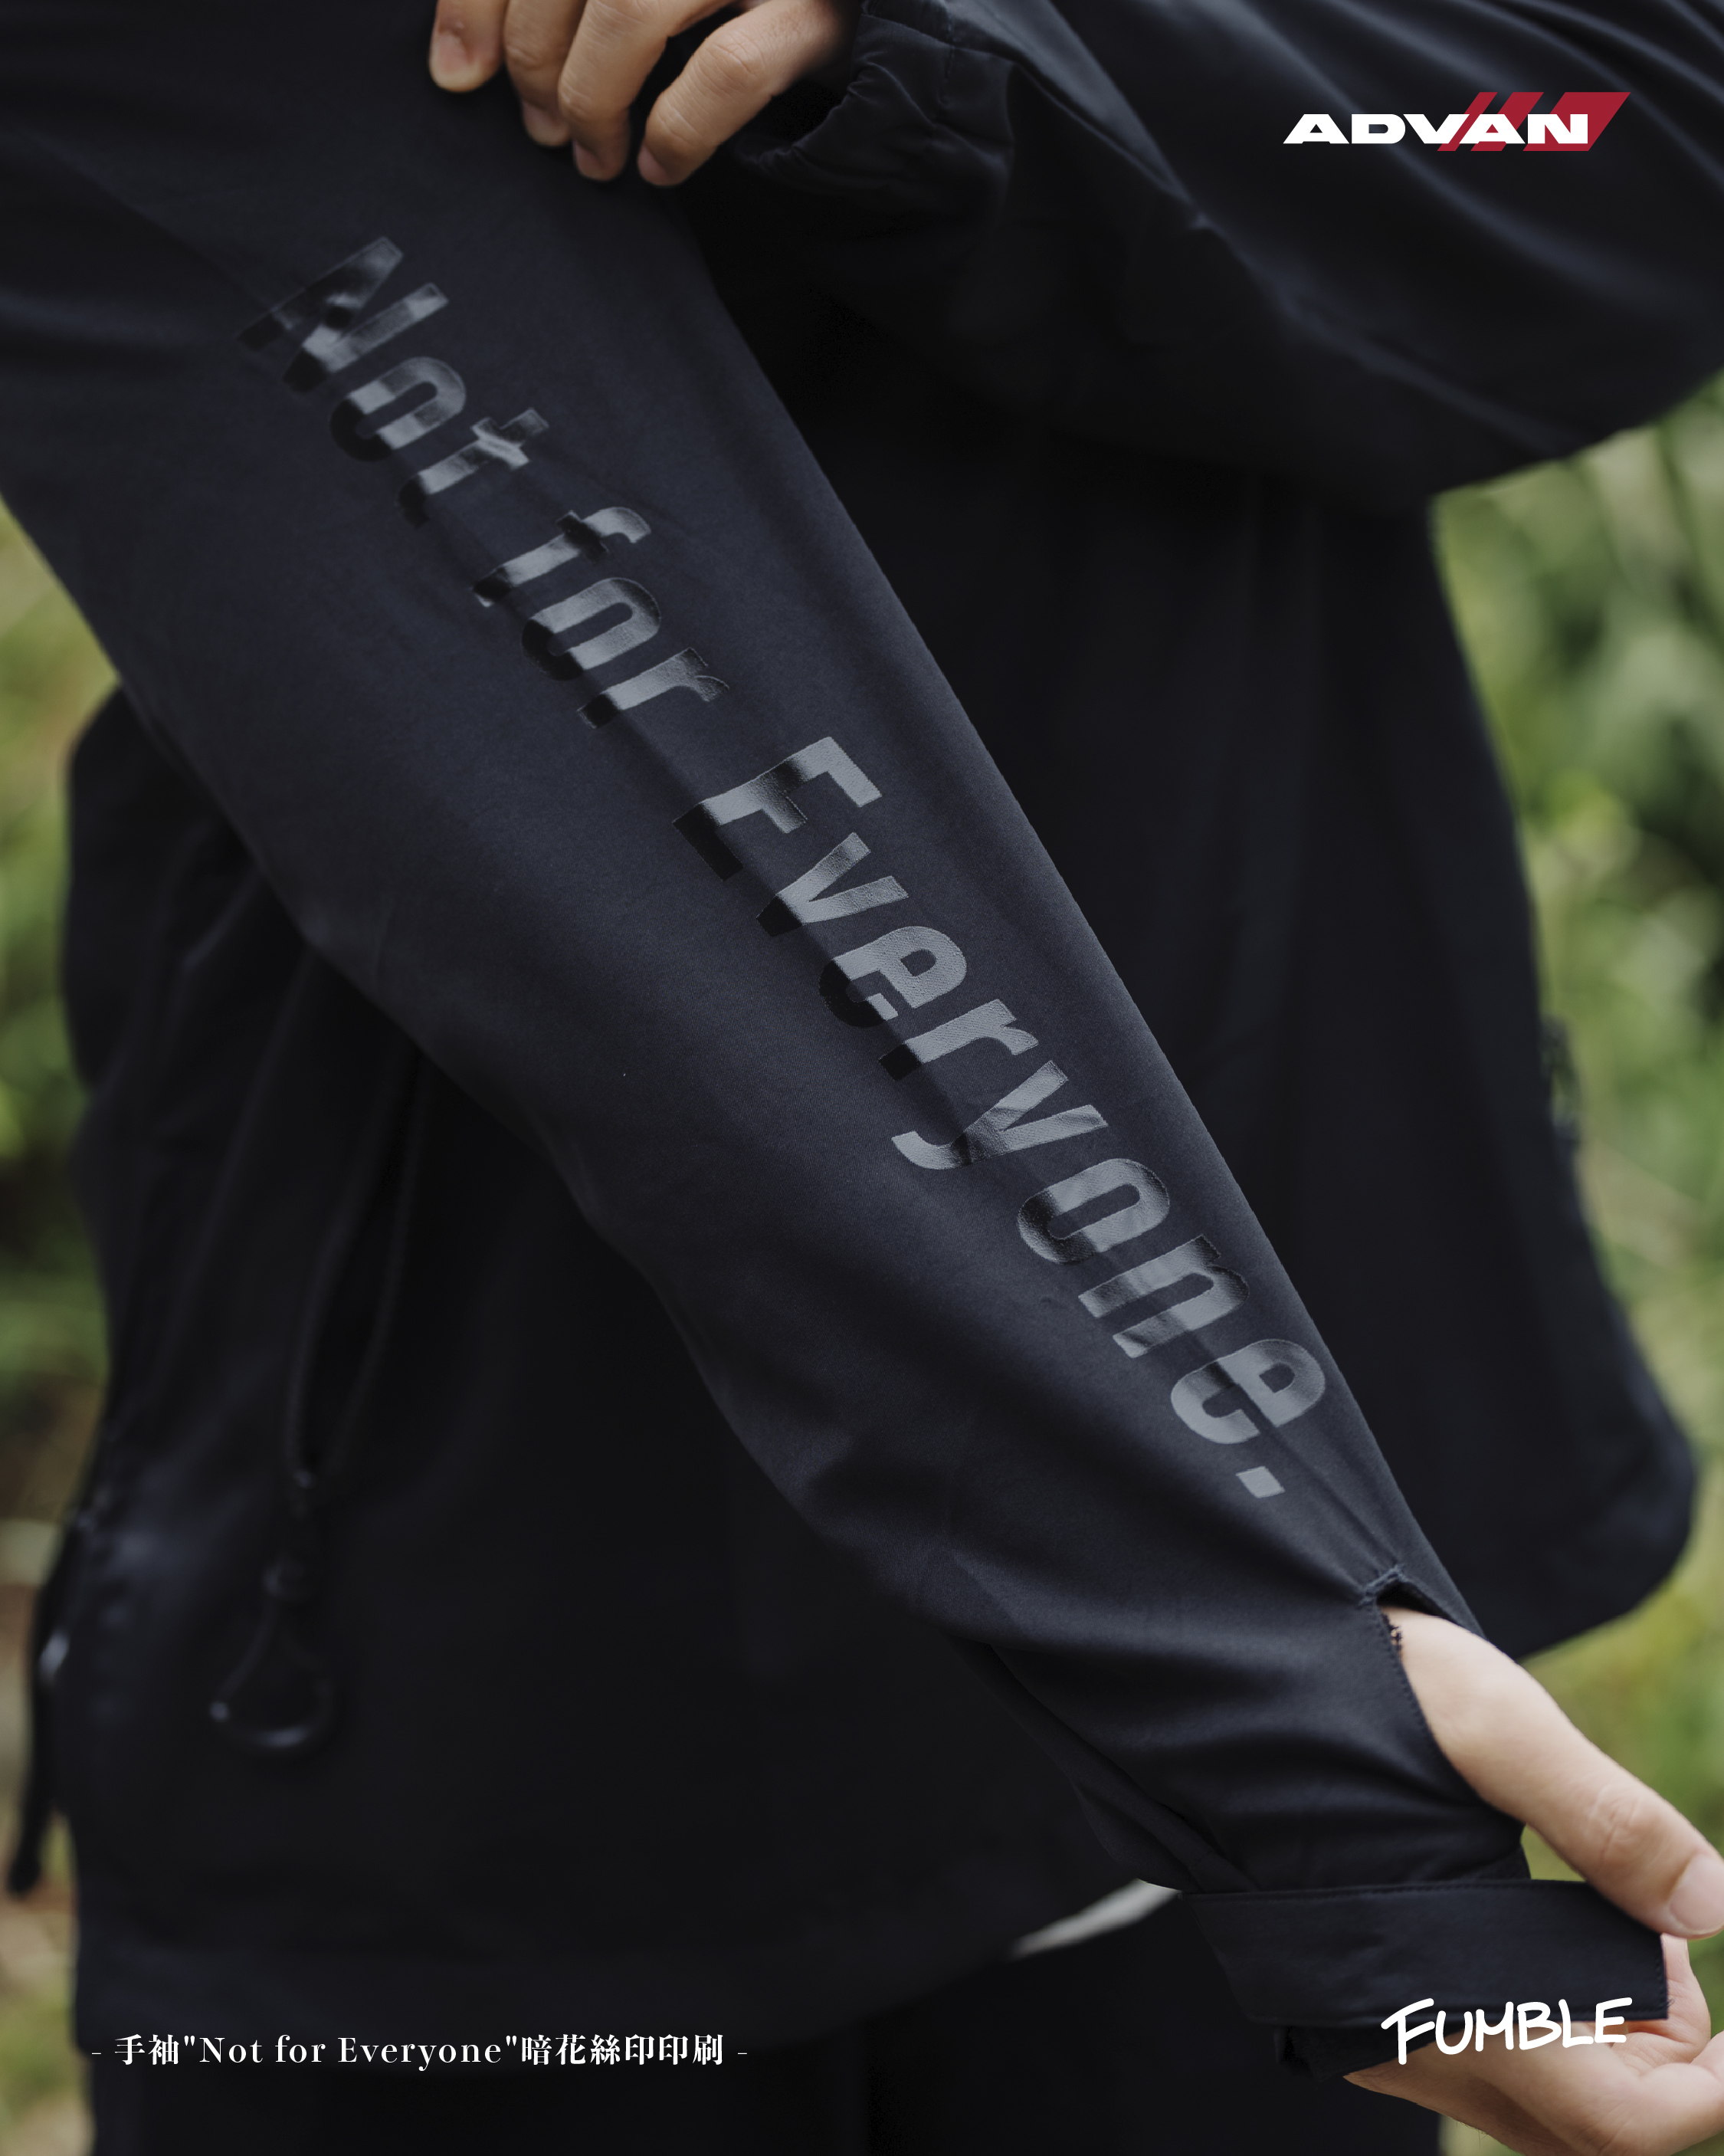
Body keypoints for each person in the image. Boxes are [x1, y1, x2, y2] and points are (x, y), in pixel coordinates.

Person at [2, 1, 1724, 2149]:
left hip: (1292, 1486)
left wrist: (965, 40)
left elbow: (1619, 138)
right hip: (466, 1649)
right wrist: (1285, 1721)